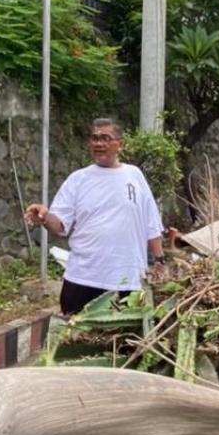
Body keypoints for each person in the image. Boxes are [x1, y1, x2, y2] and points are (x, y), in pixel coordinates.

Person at [24, 117, 165, 315]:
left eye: (105, 138)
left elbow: (151, 222)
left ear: (120, 145)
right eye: (94, 138)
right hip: (82, 278)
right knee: (73, 331)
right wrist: (45, 217)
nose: (99, 143)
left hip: (125, 280)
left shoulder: (134, 176)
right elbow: (60, 225)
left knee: (124, 334)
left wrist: (160, 260)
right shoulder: (78, 179)